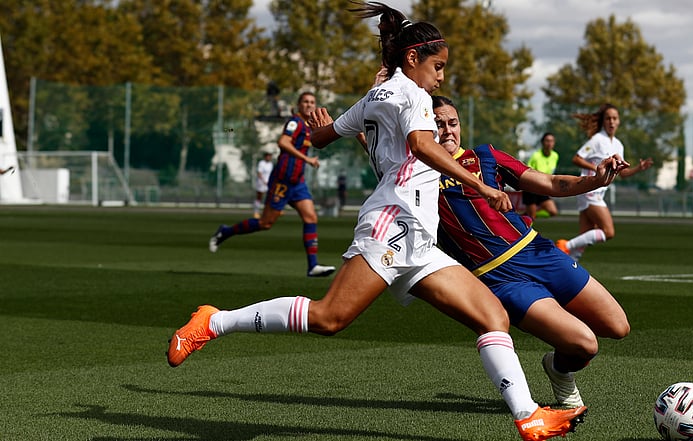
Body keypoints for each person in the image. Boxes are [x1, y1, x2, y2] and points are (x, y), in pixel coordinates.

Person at [167, 4, 585, 440]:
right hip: (394, 221)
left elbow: (323, 137)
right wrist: (480, 186)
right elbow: (423, 147)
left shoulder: (378, 94)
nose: (441, 77)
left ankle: (528, 416)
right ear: (412, 58)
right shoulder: (412, 95)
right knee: (330, 317)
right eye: (438, 66)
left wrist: (322, 125)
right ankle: (214, 321)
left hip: (418, 237)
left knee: (492, 315)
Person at [432, 95, 631, 410]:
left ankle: (557, 364)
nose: (447, 131)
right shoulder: (416, 175)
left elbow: (549, 182)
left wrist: (595, 178)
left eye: (452, 123)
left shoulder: (485, 156)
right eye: (437, 124)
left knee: (618, 327)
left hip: (540, 252)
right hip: (501, 278)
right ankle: (561, 371)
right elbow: (383, 158)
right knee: (585, 343)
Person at [208, 92, 336, 278]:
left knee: (311, 218)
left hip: (298, 181)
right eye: (305, 102)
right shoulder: (295, 122)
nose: (309, 105)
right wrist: (307, 158)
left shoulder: (309, 126)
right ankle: (225, 231)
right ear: (299, 105)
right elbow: (283, 142)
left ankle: (312, 266)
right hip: (282, 180)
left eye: (312, 102)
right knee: (265, 223)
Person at [555, 103, 654, 262]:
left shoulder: (618, 145)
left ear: (619, 121)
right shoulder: (597, 140)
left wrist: (638, 168)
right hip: (590, 191)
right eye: (608, 118)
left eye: (614, 118)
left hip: (596, 192)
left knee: (584, 238)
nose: (611, 121)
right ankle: (565, 245)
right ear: (603, 121)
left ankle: (568, 270)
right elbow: (577, 158)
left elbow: (623, 174)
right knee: (608, 232)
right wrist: (596, 168)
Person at [522, 133, 559, 219]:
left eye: (552, 141)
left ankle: (525, 215)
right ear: (542, 143)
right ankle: (529, 215)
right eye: (547, 141)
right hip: (531, 187)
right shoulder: (536, 156)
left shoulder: (555, 155)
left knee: (553, 211)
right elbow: (527, 171)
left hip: (543, 188)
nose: (549, 143)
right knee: (532, 217)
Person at [253, 150, 274, 219]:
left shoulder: (271, 164)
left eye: (270, 156)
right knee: (259, 197)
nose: (269, 157)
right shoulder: (261, 163)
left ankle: (269, 212)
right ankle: (256, 212)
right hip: (261, 182)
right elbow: (259, 173)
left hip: (269, 183)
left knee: (270, 197)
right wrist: (264, 181)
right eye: (268, 156)